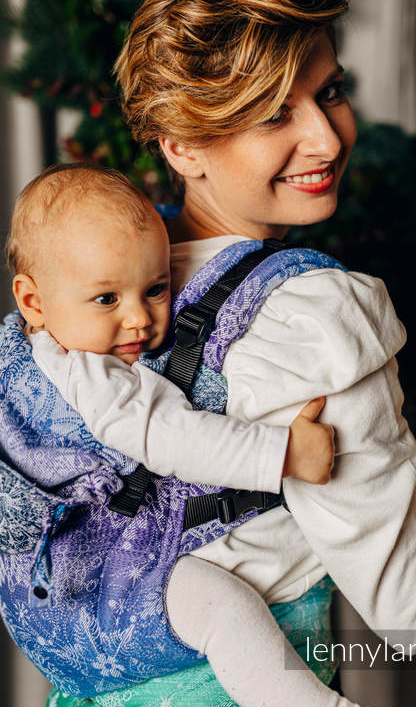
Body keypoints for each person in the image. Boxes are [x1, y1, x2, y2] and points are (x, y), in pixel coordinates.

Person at [44, 0, 416, 707]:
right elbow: (414, 610)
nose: (326, 138)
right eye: (273, 115)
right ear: (181, 145)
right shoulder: (310, 317)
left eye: (330, 92)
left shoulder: (83, 292)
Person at [7, 163, 363, 707]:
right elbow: (173, 437)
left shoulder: (33, 348)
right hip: (100, 580)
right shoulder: (87, 374)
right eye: (107, 299)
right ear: (33, 301)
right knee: (220, 606)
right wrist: (284, 454)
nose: (138, 319)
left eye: (155, 289)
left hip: (70, 582)